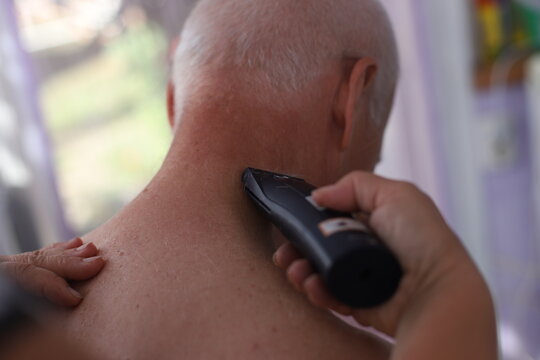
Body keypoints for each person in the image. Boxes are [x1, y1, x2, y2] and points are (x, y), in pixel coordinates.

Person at [45, 0, 496, 358]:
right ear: (349, 99)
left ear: (172, 100)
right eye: (371, 162)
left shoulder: (29, 303)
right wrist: (446, 292)